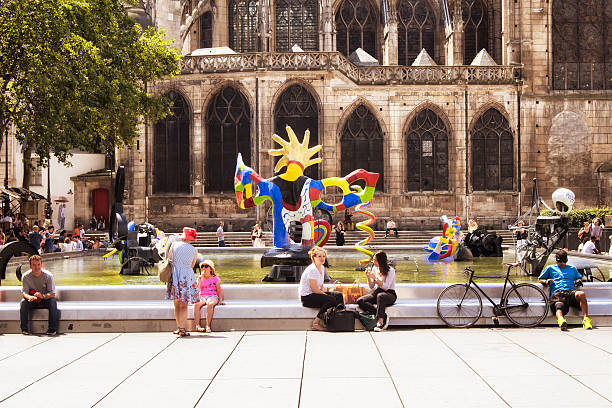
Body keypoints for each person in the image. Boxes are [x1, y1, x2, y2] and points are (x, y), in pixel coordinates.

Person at [539, 250, 592, 330]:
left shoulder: (573, 268)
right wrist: (546, 281)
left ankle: (586, 320)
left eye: (564, 262)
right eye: (560, 262)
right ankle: (561, 320)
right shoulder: (550, 268)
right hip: (557, 293)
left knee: (581, 294)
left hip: (570, 292)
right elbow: (540, 279)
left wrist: (579, 281)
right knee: (559, 306)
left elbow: (579, 277)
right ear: (557, 261)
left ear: (566, 260)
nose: (562, 264)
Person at [299, 247, 344, 331]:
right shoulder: (312, 270)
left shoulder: (321, 268)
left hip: (315, 294)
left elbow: (321, 286)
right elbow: (314, 290)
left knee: (338, 295)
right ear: (314, 258)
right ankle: (316, 323)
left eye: (323, 256)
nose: (322, 258)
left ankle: (340, 319)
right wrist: (326, 295)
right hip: (307, 297)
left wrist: (327, 293)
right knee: (331, 300)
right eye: (319, 256)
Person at [166, 227, 199, 336]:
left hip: (175, 275)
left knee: (176, 304)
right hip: (186, 276)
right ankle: (183, 329)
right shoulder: (194, 250)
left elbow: (169, 259)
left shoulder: (174, 245)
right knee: (184, 305)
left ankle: (178, 327)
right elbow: (192, 265)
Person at [357, 251, 397, 331]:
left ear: (381, 261)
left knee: (380, 296)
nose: (373, 262)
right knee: (360, 301)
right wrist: (368, 277)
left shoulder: (390, 270)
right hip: (378, 292)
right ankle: (383, 315)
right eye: (373, 260)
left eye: (375, 260)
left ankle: (380, 322)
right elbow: (371, 286)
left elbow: (386, 287)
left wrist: (375, 278)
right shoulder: (375, 268)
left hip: (390, 294)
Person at [20, 255, 59, 335]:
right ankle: (24, 329)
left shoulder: (48, 276)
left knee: (53, 301)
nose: (36, 267)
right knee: (23, 302)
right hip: (33, 300)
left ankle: (52, 329)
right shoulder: (25, 276)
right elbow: (24, 293)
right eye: (34, 265)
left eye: (38, 264)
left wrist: (43, 296)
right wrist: (30, 297)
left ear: (42, 265)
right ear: (30, 266)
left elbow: (52, 294)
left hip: (45, 300)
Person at [193, 259, 224, 333]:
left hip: (212, 295)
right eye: (202, 266)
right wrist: (199, 281)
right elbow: (198, 290)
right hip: (202, 295)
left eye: (206, 266)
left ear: (210, 269)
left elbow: (219, 290)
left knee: (209, 304)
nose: (204, 268)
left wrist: (220, 300)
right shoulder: (200, 278)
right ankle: (197, 326)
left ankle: (208, 326)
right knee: (196, 304)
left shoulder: (215, 278)